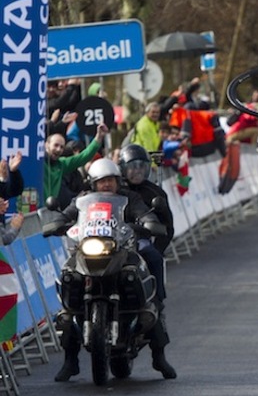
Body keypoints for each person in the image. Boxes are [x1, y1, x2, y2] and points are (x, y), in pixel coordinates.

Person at [54, 158, 176, 381]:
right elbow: (69, 214)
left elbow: (142, 213)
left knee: (150, 258)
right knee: (69, 279)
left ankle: (159, 356)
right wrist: (57, 222)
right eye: (102, 181)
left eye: (110, 180)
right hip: (88, 250)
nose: (107, 185)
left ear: (117, 181)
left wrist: (148, 222)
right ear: (93, 184)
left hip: (121, 249)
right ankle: (70, 361)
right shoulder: (83, 200)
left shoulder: (130, 198)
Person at [44, 123, 108, 208]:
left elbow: (83, 156)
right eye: (55, 145)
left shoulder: (61, 164)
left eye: (62, 147)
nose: (58, 149)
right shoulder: (36, 162)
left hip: (50, 211)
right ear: (46, 145)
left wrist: (99, 137)